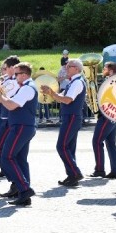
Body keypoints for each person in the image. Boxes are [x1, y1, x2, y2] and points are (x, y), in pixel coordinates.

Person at [0, 62, 38, 206]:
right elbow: (7, 101)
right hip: (22, 125)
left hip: (21, 126)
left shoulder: (27, 88)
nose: (14, 77)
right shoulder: (24, 87)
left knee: (7, 156)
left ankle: (24, 188)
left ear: (24, 75)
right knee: (20, 159)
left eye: (16, 74)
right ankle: (23, 193)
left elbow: (11, 105)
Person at [42, 58, 85, 187]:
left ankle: (75, 173)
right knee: (69, 148)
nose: (66, 68)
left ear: (76, 69)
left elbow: (67, 100)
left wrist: (52, 93)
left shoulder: (77, 82)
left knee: (61, 146)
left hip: (71, 116)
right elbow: (61, 96)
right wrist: (51, 92)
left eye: (69, 66)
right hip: (71, 116)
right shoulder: (73, 82)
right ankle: (72, 175)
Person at [0, 56, 21, 179]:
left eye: (5, 68)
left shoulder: (14, 82)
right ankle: (7, 170)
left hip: (8, 118)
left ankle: (10, 173)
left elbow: (1, 97)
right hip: (2, 116)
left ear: (12, 68)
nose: (4, 71)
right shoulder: (8, 80)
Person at [90, 61, 116, 179]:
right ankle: (115, 171)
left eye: (104, 68)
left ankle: (99, 169)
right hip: (113, 115)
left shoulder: (111, 82)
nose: (102, 70)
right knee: (111, 144)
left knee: (96, 141)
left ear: (111, 71)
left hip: (107, 115)